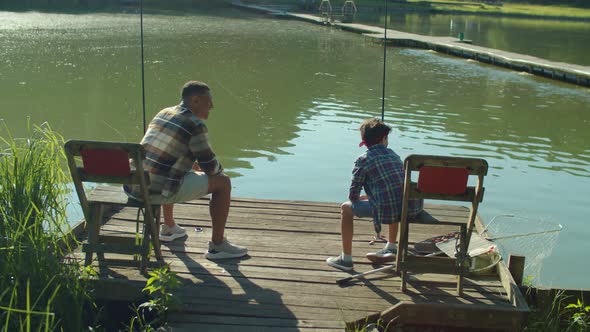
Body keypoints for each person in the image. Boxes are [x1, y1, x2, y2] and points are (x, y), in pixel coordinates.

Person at [126, 80, 247, 260]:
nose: (212, 106)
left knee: (169, 169)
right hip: (154, 190)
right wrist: (218, 170)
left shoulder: (164, 112)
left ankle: (168, 227)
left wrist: (194, 164)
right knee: (223, 183)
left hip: (133, 184)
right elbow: (211, 167)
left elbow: (169, 153)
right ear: (196, 100)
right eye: (209, 101)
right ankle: (218, 245)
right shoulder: (194, 124)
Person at [326, 118, 423, 271]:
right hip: (412, 207)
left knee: (346, 208)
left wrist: (360, 198)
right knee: (395, 197)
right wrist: (369, 197)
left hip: (389, 209)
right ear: (384, 139)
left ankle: (346, 259)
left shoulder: (363, 159)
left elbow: (353, 195)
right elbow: (394, 186)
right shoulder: (393, 155)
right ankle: (391, 246)